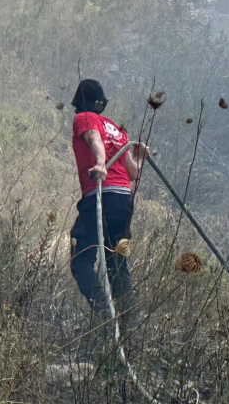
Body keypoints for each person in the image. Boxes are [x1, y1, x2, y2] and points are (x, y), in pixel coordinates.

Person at [68, 79, 147, 317]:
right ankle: (127, 323)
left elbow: (94, 140)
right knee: (117, 263)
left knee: (81, 260)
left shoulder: (84, 118)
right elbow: (134, 173)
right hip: (123, 199)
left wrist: (101, 165)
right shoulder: (117, 130)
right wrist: (140, 156)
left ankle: (104, 313)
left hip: (101, 194)